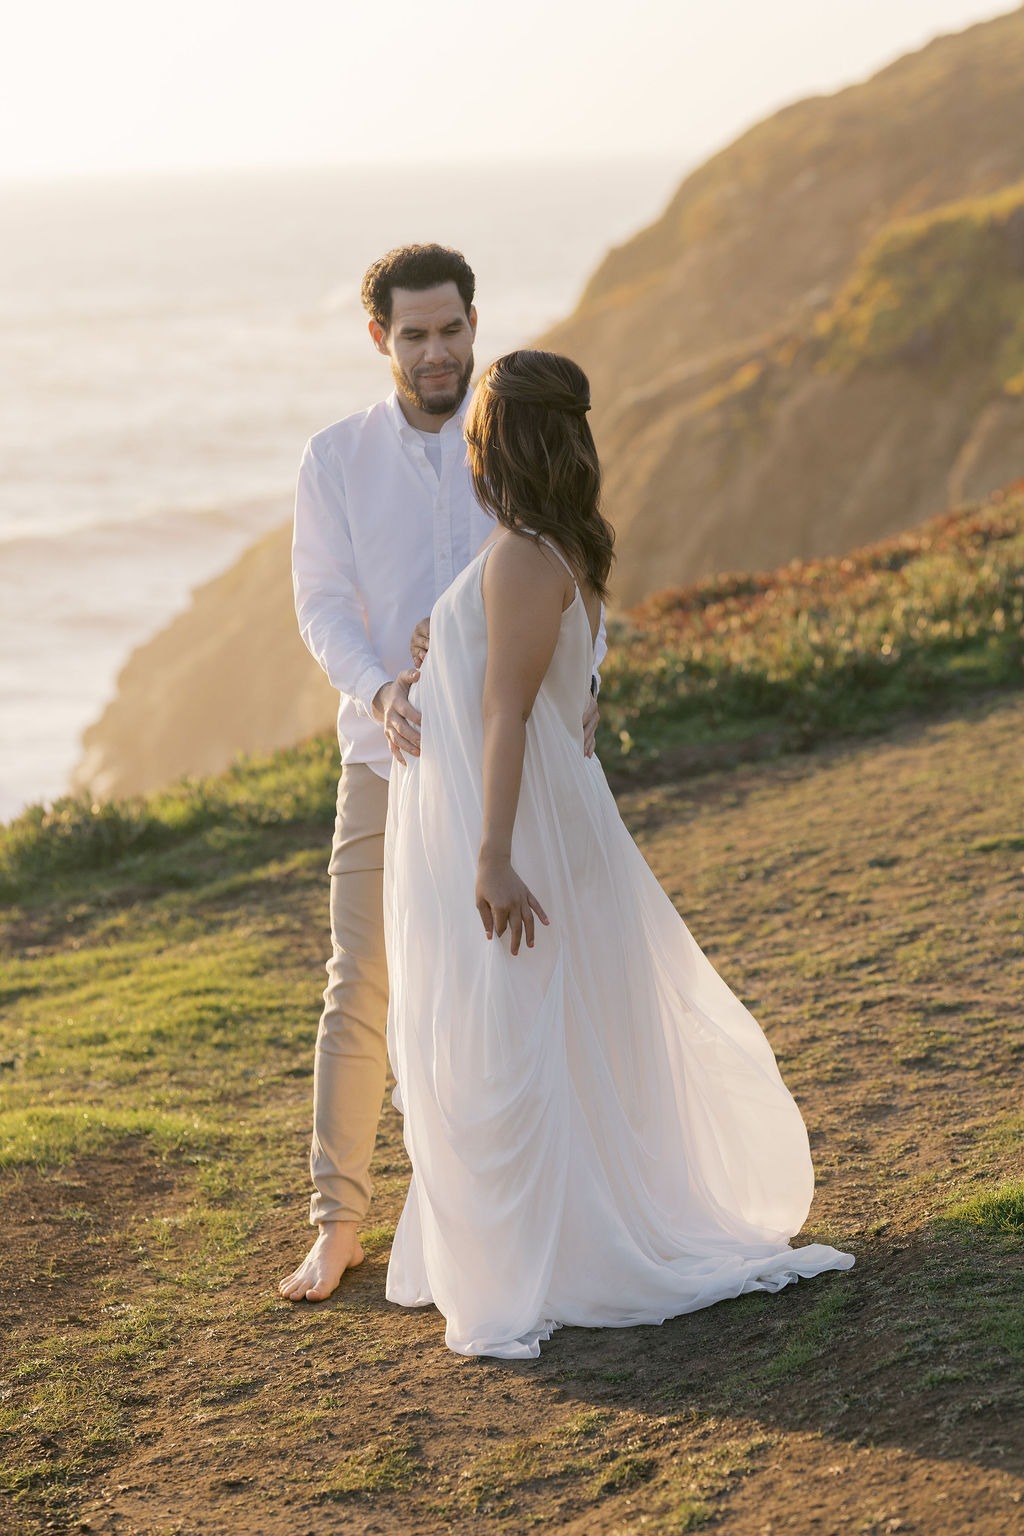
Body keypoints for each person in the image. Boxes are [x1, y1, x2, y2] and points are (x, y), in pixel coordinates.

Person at [383, 349, 855, 1359]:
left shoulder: (522, 556)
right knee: (553, 1034)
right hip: (555, 818)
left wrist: (490, 858)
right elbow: (560, 684)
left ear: (494, 443)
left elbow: (507, 715)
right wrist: (444, 642)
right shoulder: (556, 549)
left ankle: (550, 1256)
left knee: (516, 1043)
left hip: (524, 833)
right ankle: (545, 1244)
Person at [280, 250, 604, 1303]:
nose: (437, 352)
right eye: (413, 335)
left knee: (513, 982)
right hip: (387, 757)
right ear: (380, 338)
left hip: (507, 769)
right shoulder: (334, 460)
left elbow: (567, 570)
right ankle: (338, 1222)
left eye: (451, 329)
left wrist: (587, 684)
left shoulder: (506, 441)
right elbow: (322, 606)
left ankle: (510, 1210)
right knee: (363, 980)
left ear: (474, 323)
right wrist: (382, 692)